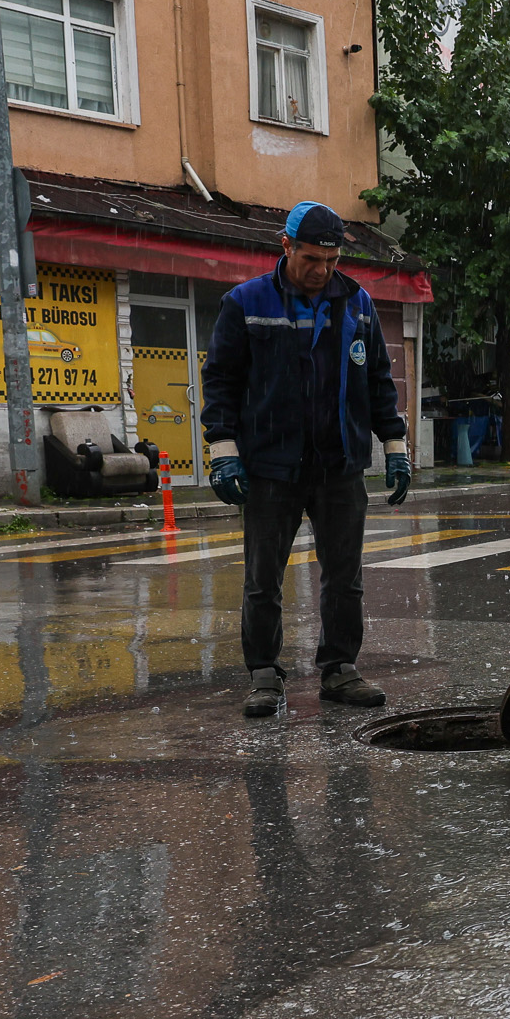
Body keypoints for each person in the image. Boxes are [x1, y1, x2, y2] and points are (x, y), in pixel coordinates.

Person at [201, 201, 412, 718]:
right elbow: (221, 382)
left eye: (331, 260)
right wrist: (223, 450)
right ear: (286, 246)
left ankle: (340, 669)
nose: (321, 270)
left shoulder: (357, 304)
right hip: (271, 468)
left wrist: (395, 447)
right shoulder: (245, 303)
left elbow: (379, 383)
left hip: (339, 466)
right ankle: (265, 674)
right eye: (311, 259)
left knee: (345, 576)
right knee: (263, 579)